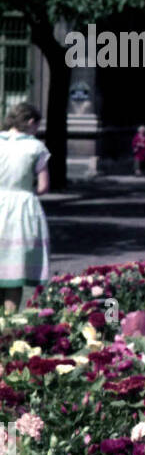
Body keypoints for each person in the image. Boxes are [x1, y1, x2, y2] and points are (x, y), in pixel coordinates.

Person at [0, 103, 50, 313]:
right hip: (21, 209)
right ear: (31, 123)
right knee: (15, 268)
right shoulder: (36, 147)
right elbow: (43, 186)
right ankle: (8, 324)